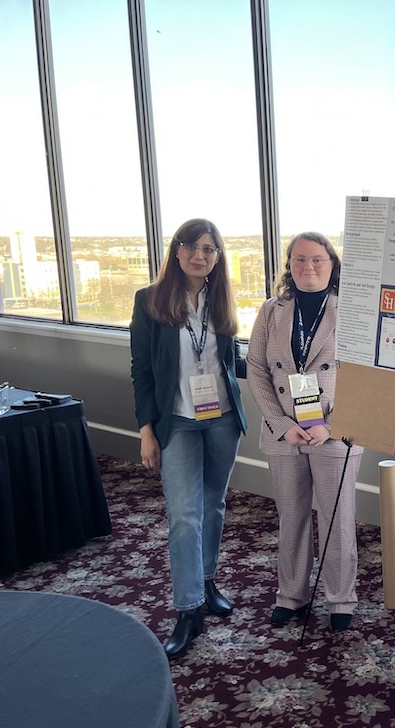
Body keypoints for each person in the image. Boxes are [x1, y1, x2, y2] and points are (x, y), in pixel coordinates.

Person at [129, 218, 248, 659]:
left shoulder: (222, 300)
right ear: (176, 251)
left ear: (218, 257)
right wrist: (146, 430)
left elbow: (232, 361)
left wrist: (285, 366)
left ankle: (207, 581)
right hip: (177, 422)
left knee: (213, 505)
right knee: (184, 515)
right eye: (192, 246)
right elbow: (141, 370)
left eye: (209, 249)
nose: (200, 255)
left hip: (222, 420)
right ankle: (188, 608)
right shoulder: (150, 300)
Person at [247, 231, 363, 631]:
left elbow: (366, 377)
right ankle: (291, 595)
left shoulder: (351, 310)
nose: (307, 266)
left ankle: (340, 599)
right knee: (291, 517)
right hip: (285, 433)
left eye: (317, 259)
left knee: (337, 519)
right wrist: (282, 425)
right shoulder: (271, 310)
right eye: (299, 259)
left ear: (332, 265)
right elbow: (256, 370)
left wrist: (332, 426)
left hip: (334, 432)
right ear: (289, 265)